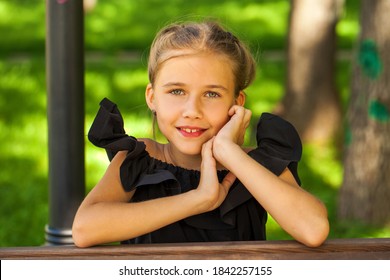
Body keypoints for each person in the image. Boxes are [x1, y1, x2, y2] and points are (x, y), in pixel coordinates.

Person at [72, 21, 329, 248]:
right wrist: (199, 199)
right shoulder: (139, 159)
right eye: (176, 91)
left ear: (237, 102)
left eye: (211, 94)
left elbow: (313, 229)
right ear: (152, 97)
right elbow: (84, 230)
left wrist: (230, 154)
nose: (192, 111)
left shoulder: (256, 164)